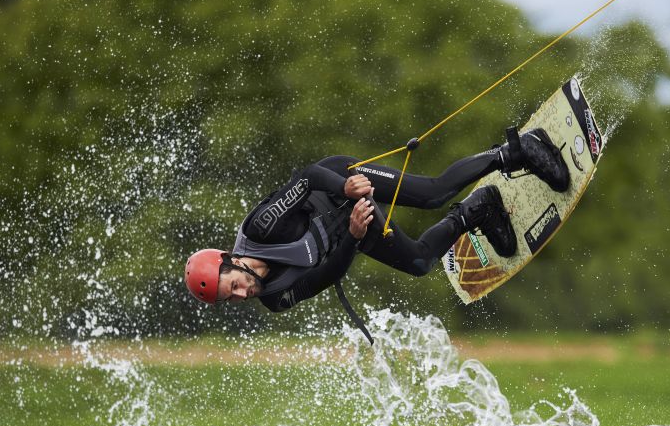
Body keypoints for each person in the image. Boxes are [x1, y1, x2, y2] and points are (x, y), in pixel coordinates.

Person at [183, 127, 569, 314]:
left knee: (431, 194)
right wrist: (353, 234)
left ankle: (514, 151)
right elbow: (329, 274)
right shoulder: (275, 299)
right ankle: (478, 209)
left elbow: (308, 177)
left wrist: (346, 187)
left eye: (232, 285)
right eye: (229, 298)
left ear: (231, 260)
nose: (239, 294)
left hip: (337, 186)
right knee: (419, 262)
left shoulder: (260, 229)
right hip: (350, 229)